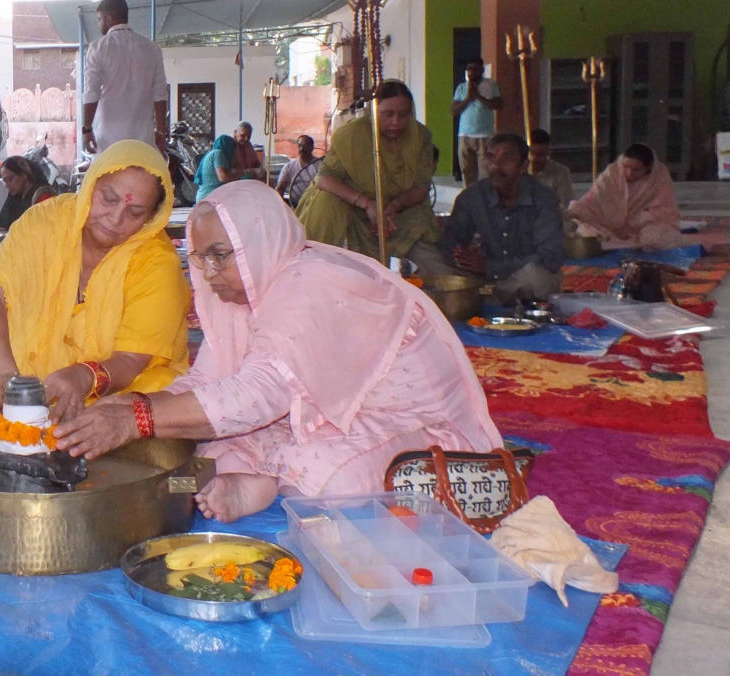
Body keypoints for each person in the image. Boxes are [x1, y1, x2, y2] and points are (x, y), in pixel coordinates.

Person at [52, 182, 501, 521]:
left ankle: (265, 482)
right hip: (318, 413)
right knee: (209, 445)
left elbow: (260, 395)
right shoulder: (244, 288)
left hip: (411, 422)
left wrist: (137, 418)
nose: (208, 273)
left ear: (258, 241)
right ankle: (257, 477)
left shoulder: (310, 282)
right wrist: (126, 406)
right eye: (200, 258)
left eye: (220, 255)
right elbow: (208, 382)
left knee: (328, 478)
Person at [0, 140, 190, 418]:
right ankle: (50, 422)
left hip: (108, 387)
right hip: (31, 375)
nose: (116, 219)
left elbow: (131, 360)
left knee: (160, 394)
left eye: (135, 212)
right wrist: (10, 379)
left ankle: (58, 426)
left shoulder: (157, 260)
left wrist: (85, 376)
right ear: (90, 184)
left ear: (152, 218)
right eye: (108, 199)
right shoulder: (45, 221)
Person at [294, 81, 438, 262]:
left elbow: (420, 187)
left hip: (398, 208)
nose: (396, 122)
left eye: (403, 115)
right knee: (327, 202)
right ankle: (313, 267)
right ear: (373, 112)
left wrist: (392, 207)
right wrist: (368, 204)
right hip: (351, 203)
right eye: (388, 115)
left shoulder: (420, 137)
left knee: (424, 231)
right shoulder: (352, 135)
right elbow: (324, 179)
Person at [413, 133, 564, 302]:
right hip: (479, 276)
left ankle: (480, 296)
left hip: (520, 277)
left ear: (523, 166)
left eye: (507, 159)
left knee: (539, 278)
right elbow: (451, 239)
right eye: (490, 157)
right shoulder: (473, 196)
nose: (496, 166)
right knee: (421, 250)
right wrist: (461, 255)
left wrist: (489, 267)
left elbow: (550, 257)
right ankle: (486, 295)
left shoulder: (544, 199)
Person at [81, 0, 168, 153]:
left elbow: (91, 92)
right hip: (143, 140)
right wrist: (161, 131)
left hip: (107, 140)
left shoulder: (97, 48)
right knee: (142, 177)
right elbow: (160, 93)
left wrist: (87, 130)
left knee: (109, 177)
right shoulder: (152, 48)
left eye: (99, 19)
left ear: (109, 19)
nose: (98, 24)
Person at [570, 143, 683, 251]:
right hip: (609, 224)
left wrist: (633, 223)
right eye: (625, 167)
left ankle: (621, 244)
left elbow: (665, 211)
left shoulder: (659, 177)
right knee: (583, 221)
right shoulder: (612, 172)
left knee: (658, 236)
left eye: (636, 170)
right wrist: (574, 211)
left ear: (648, 168)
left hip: (640, 227)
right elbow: (592, 198)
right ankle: (615, 241)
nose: (628, 173)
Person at [451, 58, 503, 188]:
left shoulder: (491, 85)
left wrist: (478, 96)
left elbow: (499, 105)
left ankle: (485, 199)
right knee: (467, 170)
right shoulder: (462, 87)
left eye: (474, 69)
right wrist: (468, 97)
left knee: (486, 170)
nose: (471, 72)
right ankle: (469, 200)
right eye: (469, 69)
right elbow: (454, 110)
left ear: (482, 70)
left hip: (485, 135)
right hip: (465, 135)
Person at [194, 122, 264, 201]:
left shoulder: (244, 148)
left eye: (249, 136)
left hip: (218, 196)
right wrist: (244, 172)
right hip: (209, 197)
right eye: (243, 135)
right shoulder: (218, 154)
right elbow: (224, 178)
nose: (246, 139)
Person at [0, 155, 55, 231]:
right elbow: (3, 223)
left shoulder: (43, 196)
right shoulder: (14, 197)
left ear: (24, 175)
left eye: (9, 179)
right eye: (4, 181)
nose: (7, 185)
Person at [527, 128, 575, 209]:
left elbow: (566, 203)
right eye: (531, 154)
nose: (533, 159)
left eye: (539, 155)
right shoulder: (516, 171)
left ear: (548, 152)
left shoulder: (560, 171)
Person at [274, 134, 323, 208]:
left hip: (314, 206)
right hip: (294, 205)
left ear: (312, 147)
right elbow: (280, 189)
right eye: (300, 145)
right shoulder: (289, 167)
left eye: (305, 146)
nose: (302, 148)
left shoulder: (320, 165)